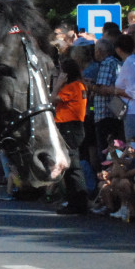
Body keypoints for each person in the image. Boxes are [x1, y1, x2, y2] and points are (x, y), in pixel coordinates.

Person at [52, 58, 89, 214]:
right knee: (68, 165)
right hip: (70, 126)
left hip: (70, 127)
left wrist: (58, 83)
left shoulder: (74, 86)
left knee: (73, 166)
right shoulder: (78, 86)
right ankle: (73, 200)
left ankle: (79, 202)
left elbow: (52, 98)